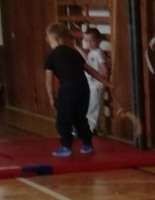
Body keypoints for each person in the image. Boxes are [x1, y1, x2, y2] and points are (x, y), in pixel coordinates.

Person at [44, 22, 109, 156]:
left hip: (68, 90)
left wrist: (51, 97)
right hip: (83, 89)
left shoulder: (51, 56)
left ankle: (66, 146)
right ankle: (87, 144)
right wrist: (105, 82)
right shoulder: (74, 53)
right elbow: (90, 70)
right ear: (65, 38)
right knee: (80, 118)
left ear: (49, 39)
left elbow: (48, 79)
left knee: (63, 118)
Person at [80, 27, 111, 138]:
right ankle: (90, 126)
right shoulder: (91, 52)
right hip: (91, 84)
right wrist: (78, 48)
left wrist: (106, 80)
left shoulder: (99, 53)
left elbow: (104, 66)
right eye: (86, 41)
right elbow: (86, 59)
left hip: (97, 84)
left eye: (92, 41)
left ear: (98, 40)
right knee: (91, 104)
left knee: (94, 105)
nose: (89, 43)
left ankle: (92, 127)